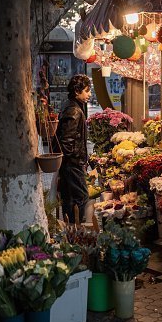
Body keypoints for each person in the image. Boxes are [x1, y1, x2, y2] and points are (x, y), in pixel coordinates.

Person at [53, 74, 91, 224]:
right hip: (72, 164)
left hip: (70, 163)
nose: (89, 94)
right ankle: (77, 231)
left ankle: (71, 232)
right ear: (77, 91)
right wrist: (77, 161)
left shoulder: (71, 106)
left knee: (68, 198)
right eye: (87, 91)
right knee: (81, 197)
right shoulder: (74, 111)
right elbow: (66, 141)